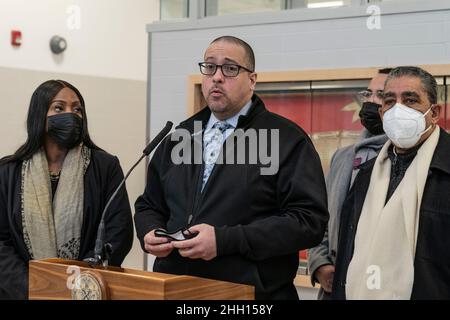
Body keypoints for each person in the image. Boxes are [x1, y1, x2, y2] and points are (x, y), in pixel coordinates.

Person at [134, 36, 328, 300]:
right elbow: (149, 205)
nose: (217, 77)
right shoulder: (181, 137)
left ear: (252, 79)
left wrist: (224, 240)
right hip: (179, 289)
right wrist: (150, 230)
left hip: (252, 295)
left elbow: (308, 221)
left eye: (230, 68)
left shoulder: (286, 139)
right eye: (210, 67)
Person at [0, 80, 133, 299]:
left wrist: (78, 285)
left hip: (85, 292)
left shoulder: (105, 167)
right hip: (20, 293)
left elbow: (118, 232)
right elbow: (2, 244)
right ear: (39, 115)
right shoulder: (8, 171)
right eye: (59, 108)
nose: (71, 114)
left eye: (77, 109)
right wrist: (33, 289)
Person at [333, 66, 450, 299]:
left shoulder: (445, 170)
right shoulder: (366, 174)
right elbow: (348, 251)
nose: (398, 109)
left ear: (434, 112)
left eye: (410, 100)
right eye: (389, 101)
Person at [308, 68, 391, 299]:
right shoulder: (343, 157)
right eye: (368, 94)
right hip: (333, 290)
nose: (371, 102)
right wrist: (320, 265)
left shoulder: (404, 158)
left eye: (381, 95)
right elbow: (320, 217)